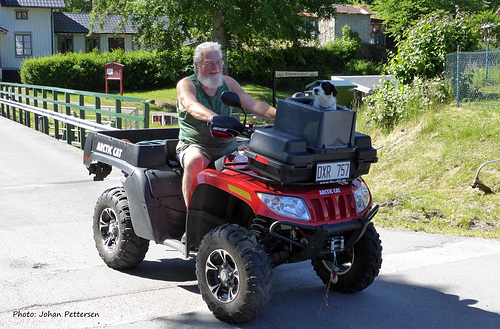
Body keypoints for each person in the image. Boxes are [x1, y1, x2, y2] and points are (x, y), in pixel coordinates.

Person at [176, 41, 276, 207]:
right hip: (196, 144)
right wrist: (216, 118)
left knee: (259, 160)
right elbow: (191, 106)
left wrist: (282, 115)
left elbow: (253, 104)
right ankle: (191, 219)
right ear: (197, 65)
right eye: (209, 63)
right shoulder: (186, 84)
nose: (216, 67)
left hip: (228, 144)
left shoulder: (228, 83)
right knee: (193, 161)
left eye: (218, 62)